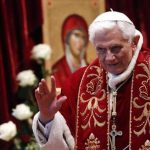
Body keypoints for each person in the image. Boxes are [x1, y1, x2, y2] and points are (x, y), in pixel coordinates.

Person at [32, 11, 150, 150]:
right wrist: (47, 117)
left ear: (133, 43)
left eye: (116, 48)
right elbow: (62, 144)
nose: (109, 58)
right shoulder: (77, 83)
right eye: (101, 50)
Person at [52, 14, 88, 88]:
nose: (80, 42)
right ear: (67, 38)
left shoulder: (90, 69)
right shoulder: (57, 70)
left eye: (83, 37)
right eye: (76, 35)